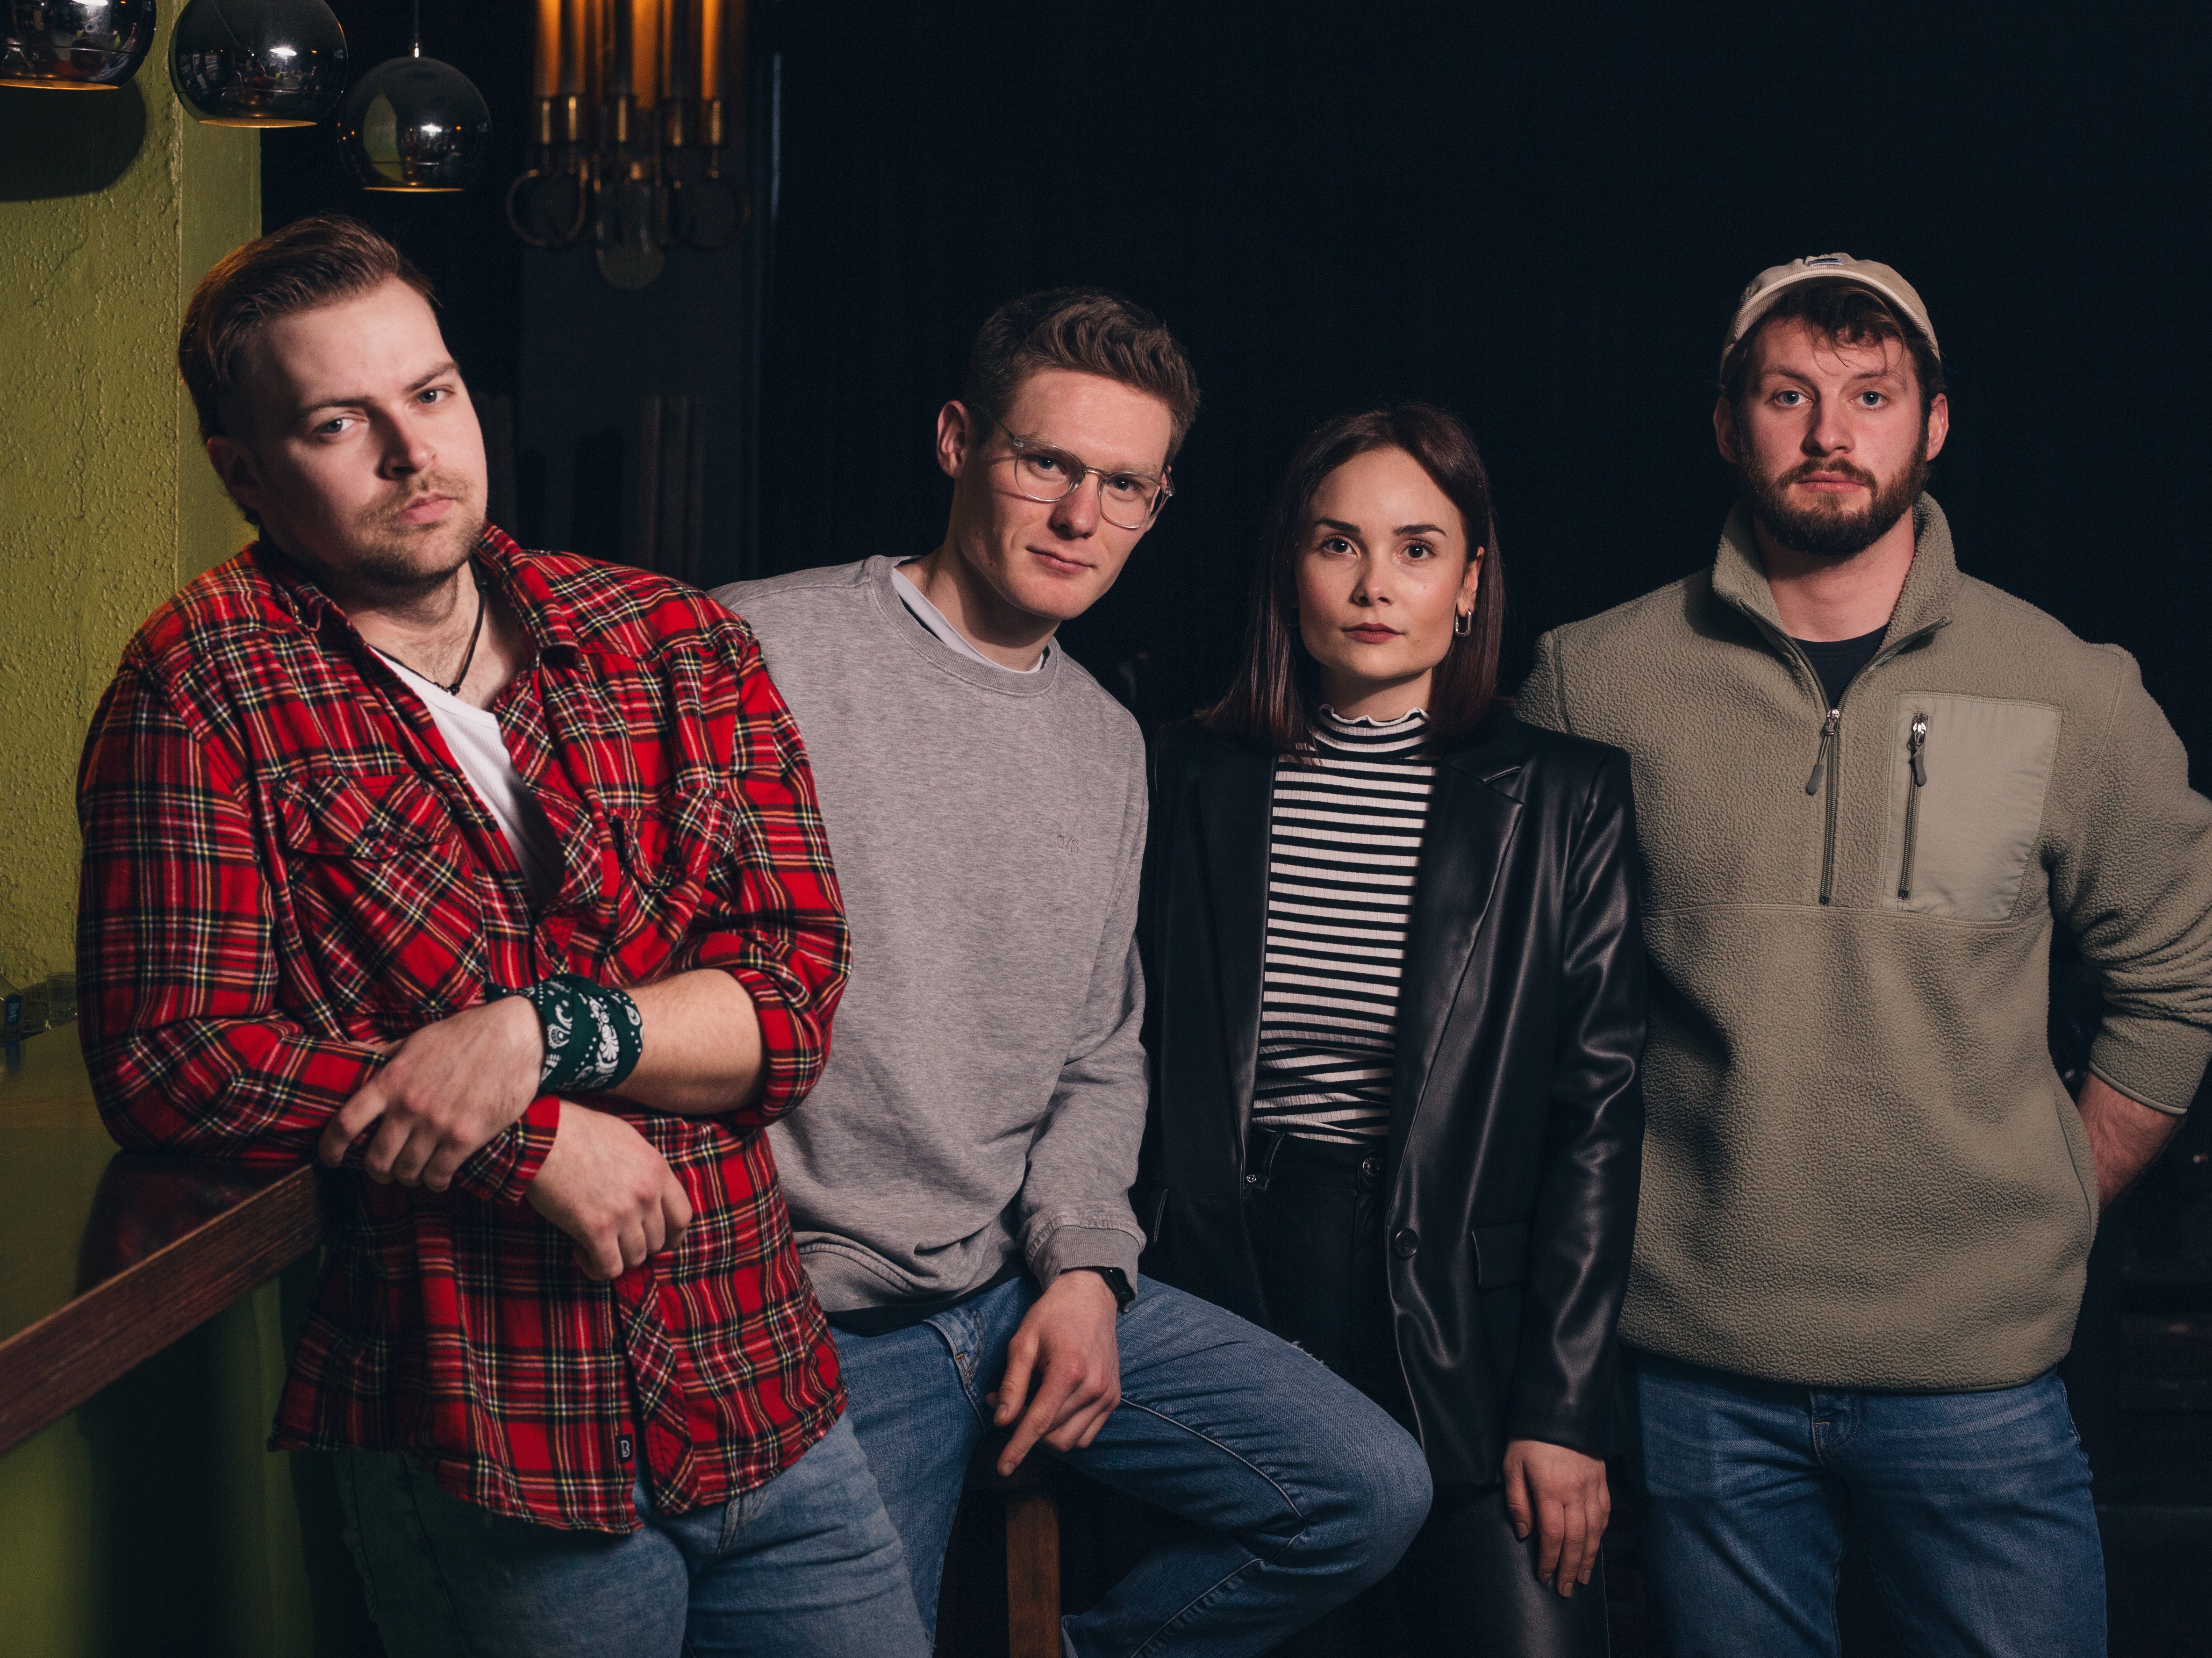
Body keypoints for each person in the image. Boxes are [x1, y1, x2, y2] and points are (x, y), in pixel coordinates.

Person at [76, 215, 931, 1658]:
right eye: (339, 423)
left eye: (432, 392)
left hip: (757, 1381)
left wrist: (541, 1035)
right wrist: (522, 1140)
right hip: (490, 1432)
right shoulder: (200, 685)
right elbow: (177, 1057)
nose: (412, 453)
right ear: (244, 470)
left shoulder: (669, 640)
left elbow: (788, 1005)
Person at [711, 288, 1433, 1655]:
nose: (1078, 516)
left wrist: (1089, 1270)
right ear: (957, 442)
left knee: (1364, 1491)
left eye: (1125, 486)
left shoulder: (1109, 744)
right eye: (1046, 463)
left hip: (1008, 1284)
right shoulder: (757, 649)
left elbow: (1102, 1051)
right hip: (809, 1312)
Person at [1516, 253, 2212, 1658]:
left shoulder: (2067, 687)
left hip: (1980, 1375)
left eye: (1871, 396)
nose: (1830, 433)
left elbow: (2181, 976)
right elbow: (1525, 1023)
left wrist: (2056, 1196)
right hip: (1702, 1373)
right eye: (1790, 396)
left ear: (1933, 424)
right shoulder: (1596, 680)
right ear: (1729, 424)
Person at [1137, 404, 1646, 1656]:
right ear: (1290, 571)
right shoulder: (1179, 776)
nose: (1376, 585)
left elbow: (1596, 1118)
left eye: (1418, 549)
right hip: (1232, 1286)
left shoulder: (1564, 798)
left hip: (1464, 1325)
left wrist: (1564, 1406)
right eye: (1338, 544)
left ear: (1470, 584)